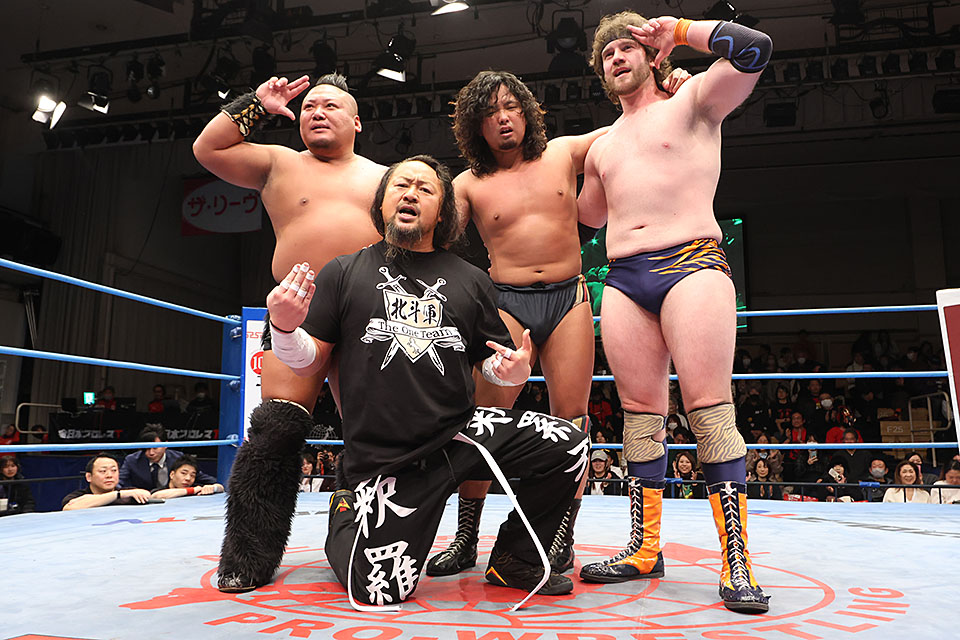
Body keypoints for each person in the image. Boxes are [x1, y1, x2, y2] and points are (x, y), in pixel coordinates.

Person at [221, 155, 588, 606]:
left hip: (458, 436)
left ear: (443, 212)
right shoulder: (344, 271)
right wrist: (282, 327)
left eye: (425, 188)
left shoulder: (472, 280)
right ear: (381, 203)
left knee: (569, 443)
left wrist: (512, 371)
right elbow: (305, 360)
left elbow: (492, 362)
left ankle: (516, 559)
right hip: (387, 461)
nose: (411, 193)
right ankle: (346, 508)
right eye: (401, 185)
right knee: (380, 592)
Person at [429, 67, 692, 578]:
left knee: (572, 422)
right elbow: (435, 237)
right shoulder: (468, 184)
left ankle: (559, 538)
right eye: (490, 112)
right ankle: (465, 537)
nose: (504, 118)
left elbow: (633, 127)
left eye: (510, 106)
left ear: (527, 111)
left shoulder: (564, 153)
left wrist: (668, 90)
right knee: (484, 421)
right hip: (506, 303)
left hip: (568, 298)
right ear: (476, 126)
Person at [576, 11, 773, 613]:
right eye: (606, 54)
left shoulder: (693, 102)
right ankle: (644, 548)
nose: (616, 57)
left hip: (692, 263)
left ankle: (736, 566)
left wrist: (682, 30)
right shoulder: (601, 146)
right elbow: (584, 215)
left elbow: (755, 49)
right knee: (639, 416)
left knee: (709, 411)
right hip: (623, 278)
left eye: (626, 47)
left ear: (651, 55)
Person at [193, 72, 387, 593]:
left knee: (372, 434)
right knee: (275, 428)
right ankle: (247, 557)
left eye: (330, 106)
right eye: (309, 106)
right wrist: (254, 105)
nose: (316, 112)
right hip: (296, 307)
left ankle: (372, 547)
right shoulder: (278, 163)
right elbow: (208, 149)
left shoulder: (385, 178)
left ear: (357, 121)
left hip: (369, 309)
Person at [118, 426, 218, 490]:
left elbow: (201, 477)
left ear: (166, 444)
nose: (151, 453)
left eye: (155, 448)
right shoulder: (131, 460)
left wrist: (214, 486)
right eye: (146, 449)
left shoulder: (178, 458)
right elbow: (118, 482)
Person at [62, 454, 153, 510]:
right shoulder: (78, 496)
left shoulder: (128, 493)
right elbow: (69, 508)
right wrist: (116, 495)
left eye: (114, 470)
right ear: (89, 477)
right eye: (103, 471)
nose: (109, 475)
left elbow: (146, 494)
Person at [151, 455, 224, 499]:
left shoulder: (197, 489)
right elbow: (156, 496)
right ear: (172, 474)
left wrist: (213, 488)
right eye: (183, 473)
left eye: (192, 475)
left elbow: (221, 488)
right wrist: (191, 490)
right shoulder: (159, 491)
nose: (188, 478)